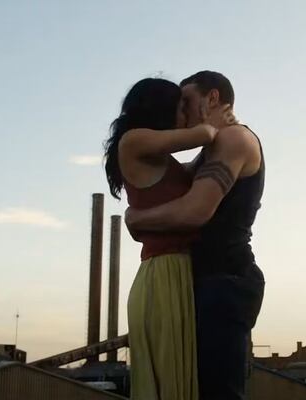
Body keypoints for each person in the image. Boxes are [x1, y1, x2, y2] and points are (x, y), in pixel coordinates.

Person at [125, 71, 266, 400]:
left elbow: (193, 211)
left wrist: (137, 219)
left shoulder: (234, 139)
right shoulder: (212, 146)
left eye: (186, 101)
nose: (181, 111)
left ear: (212, 98)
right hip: (208, 280)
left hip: (225, 279)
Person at [103, 77, 235, 400]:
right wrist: (210, 120)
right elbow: (202, 135)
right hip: (163, 274)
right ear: (160, 109)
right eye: (181, 108)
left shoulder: (160, 158)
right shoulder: (133, 141)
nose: (185, 115)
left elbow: (192, 169)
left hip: (173, 272)